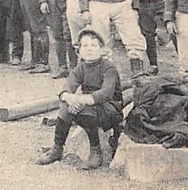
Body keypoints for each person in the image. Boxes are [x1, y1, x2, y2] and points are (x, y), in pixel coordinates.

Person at [37, 28, 124, 169]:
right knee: (66, 106)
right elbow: (66, 88)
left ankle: (96, 151)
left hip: (110, 110)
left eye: (94, 46)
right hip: (89, 106)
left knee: (84, 109)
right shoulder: (80, 68)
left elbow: (106, 93)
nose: (89, 49)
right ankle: (57, 148)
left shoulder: (108, 68)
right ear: (79, 51)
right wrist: (69, 97)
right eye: (85, 46)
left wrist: (81, 100)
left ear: (102, 49)